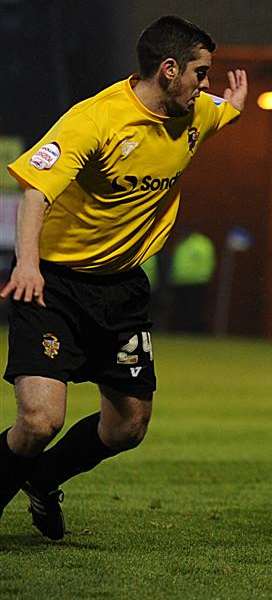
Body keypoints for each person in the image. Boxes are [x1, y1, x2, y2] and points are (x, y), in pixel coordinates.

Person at [0, 15, 247, 539]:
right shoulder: (95, 119)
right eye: (201, 74)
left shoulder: (197, 110)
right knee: (41, 421)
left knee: (128, 426)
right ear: (169, 69)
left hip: (122, 291)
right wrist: (26, 263)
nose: (207, 85)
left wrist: (236, 106)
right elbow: (36, 191)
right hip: (54, 285)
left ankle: (43, 481)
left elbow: (221, 112)